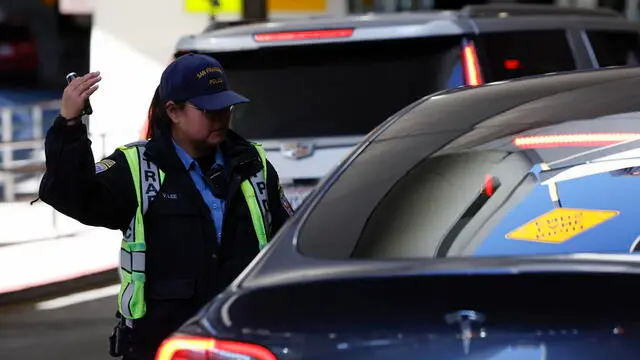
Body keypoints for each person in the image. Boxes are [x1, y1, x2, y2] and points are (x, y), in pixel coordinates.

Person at [38, 53, 295, 360]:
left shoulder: (253, 164)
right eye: (207, 109)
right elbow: (69, 193)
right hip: (162, 345)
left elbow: (288, 246)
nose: (220, 117)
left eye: (225, 108)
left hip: (242, 340)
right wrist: (69, 125)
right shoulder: (135, 167)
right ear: (173, 111)